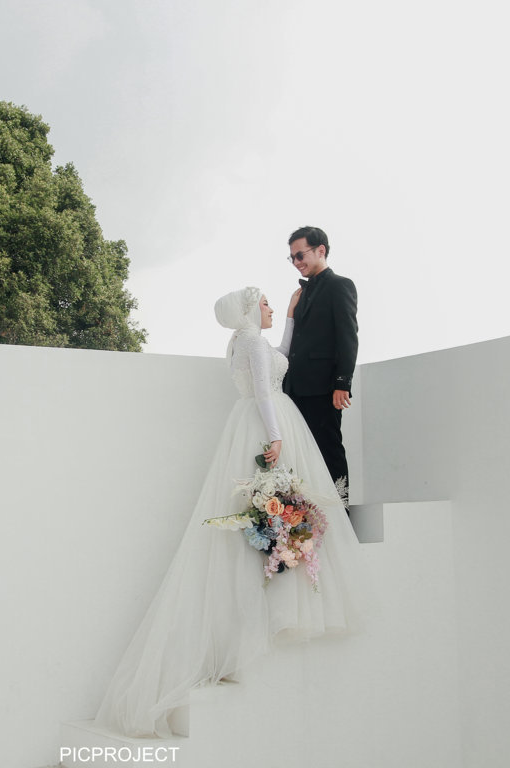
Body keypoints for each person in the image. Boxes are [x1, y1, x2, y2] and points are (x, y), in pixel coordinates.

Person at [94, 287, 372, 738]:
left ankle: (278, 583)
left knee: (273, 508)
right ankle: (272, 604)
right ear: (248, 311)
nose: (268, 308)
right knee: (277, 503)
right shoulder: (251, 342)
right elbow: (264, 388)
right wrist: (276, 435)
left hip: (257, 420)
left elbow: (279, 358)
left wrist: (289, 319)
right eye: (264, 304)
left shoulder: (244, 340)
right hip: (269, 421)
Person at [283, 226, 358, 505]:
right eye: (292, 257)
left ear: (321, 250)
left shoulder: (341, 285)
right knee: (300, 456)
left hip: (324, 387)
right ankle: (309, 517)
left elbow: (348, 337)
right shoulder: (300, 294)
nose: (296, 262)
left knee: (329, 450)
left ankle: (342, 512)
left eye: (300, 255)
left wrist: (342, 383)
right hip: (295, 389)